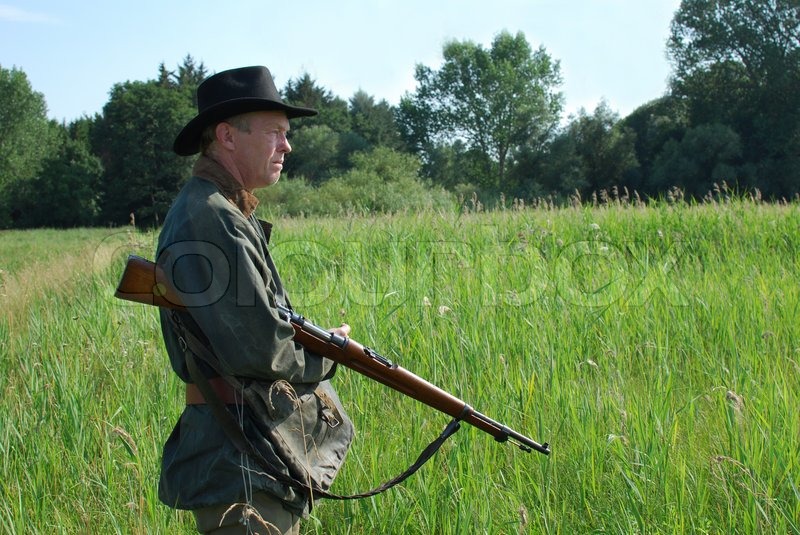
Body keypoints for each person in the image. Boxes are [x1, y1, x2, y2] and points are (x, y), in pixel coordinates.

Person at [155, 66, 354, 535]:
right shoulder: (210, 217)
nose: (287, 146)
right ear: (226, 136)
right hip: (241, 459)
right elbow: (261, 349)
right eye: (276, 133)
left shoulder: (222, 210)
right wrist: (326, 356)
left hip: (249, 452)